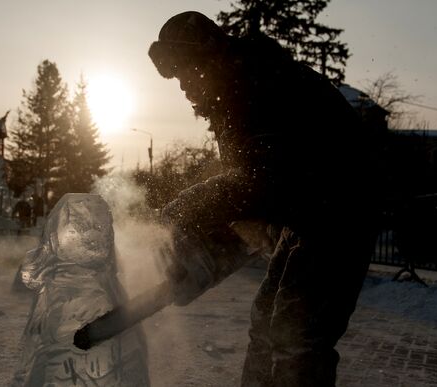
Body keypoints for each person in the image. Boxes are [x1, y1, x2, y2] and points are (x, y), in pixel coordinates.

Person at [148, 11, 381, 386]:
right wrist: (212, 247)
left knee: (297, 332)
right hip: (307, 213)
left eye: (185, 71)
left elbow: (261, 179)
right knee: (267, 321)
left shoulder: (256, 84)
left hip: (340, 212)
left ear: (205, 57)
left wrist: (185, 211)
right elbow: (254, 193)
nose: (183, 86)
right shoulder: (236, 89)